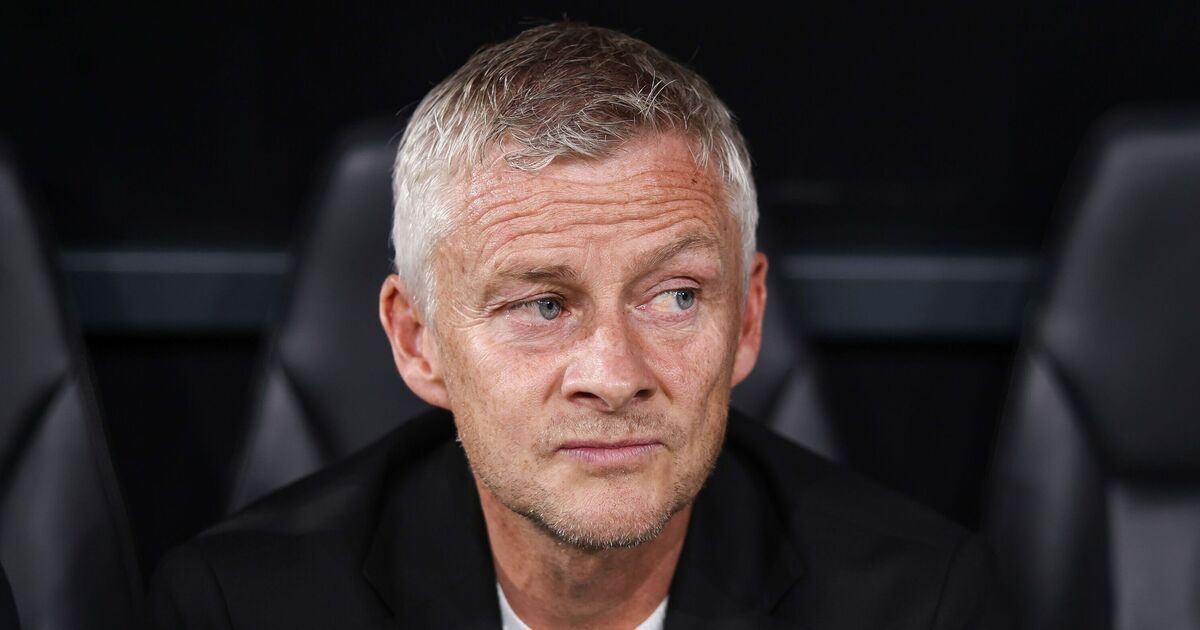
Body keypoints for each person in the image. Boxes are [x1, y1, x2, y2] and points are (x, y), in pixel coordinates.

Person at [150, 22, 1007, 629]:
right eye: (544, 305)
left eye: (675, 296)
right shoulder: (237, 608)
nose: (614, 373)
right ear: (418, 341)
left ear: (748, 318)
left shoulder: (919, 605)